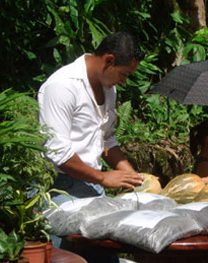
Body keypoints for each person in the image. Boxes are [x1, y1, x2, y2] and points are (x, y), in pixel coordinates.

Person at [38, 32, 145, 261]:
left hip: (91, 185)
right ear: (109, 60)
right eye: (124, 74)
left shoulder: (108, 88)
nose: (124, 81)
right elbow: (59, 153)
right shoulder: (63, 86)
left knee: (104, 255)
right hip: (59, 186)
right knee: (63, 256)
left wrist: (128, 172)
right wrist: (104, 178)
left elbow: (108, 139)